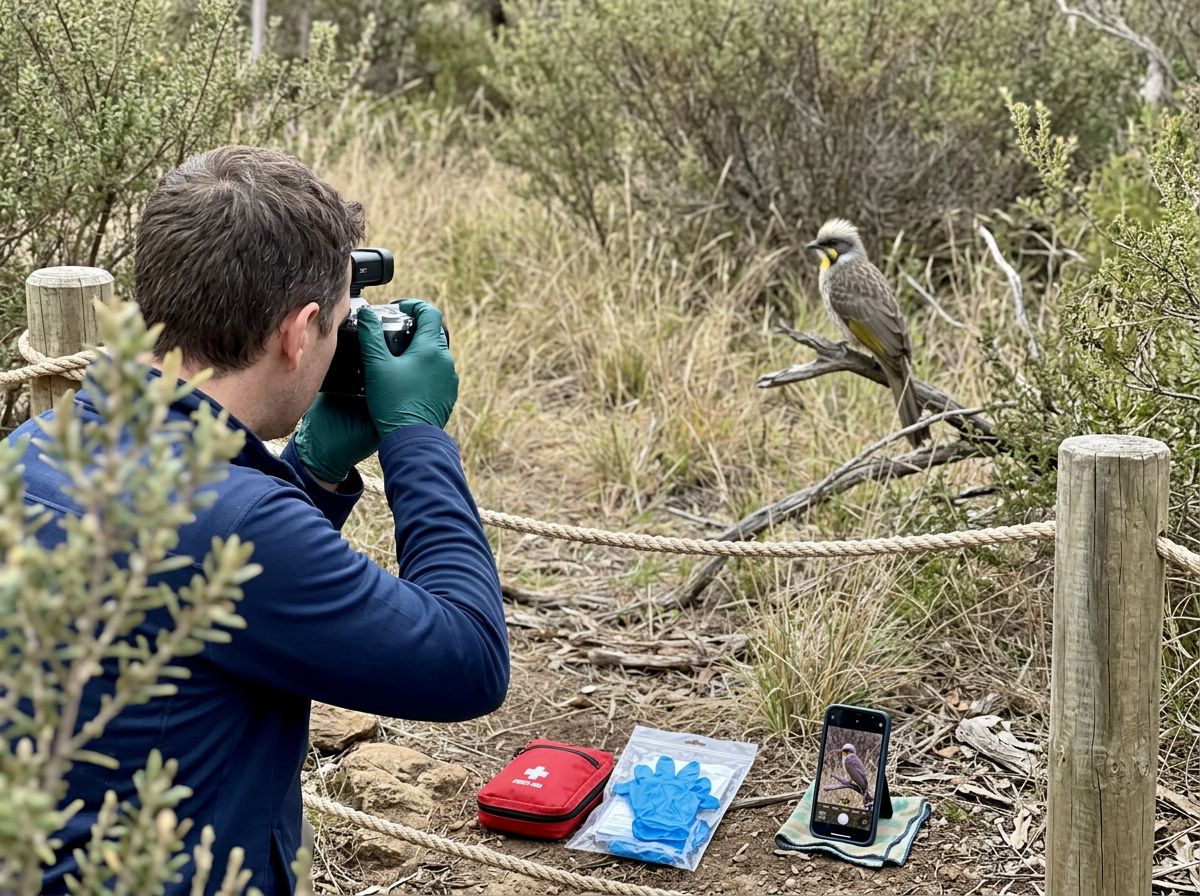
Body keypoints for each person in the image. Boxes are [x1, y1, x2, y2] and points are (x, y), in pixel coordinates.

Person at [12, 145, 509, 893]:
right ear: (299, 331)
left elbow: (204, 599)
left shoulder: (33, 450)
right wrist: (418, 438)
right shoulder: (237, 517)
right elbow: (467, 661)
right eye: (340, 324)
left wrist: (310, 472)